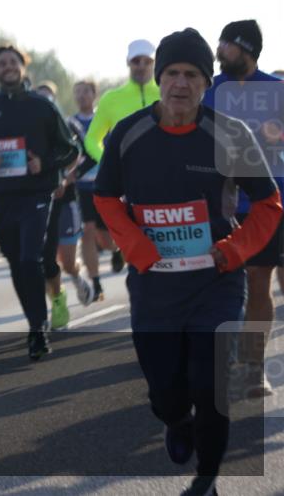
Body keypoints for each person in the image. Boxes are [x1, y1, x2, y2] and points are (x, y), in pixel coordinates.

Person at [93, 28, 282, 496]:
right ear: (159, 79)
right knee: (166, 389)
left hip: (215, 281)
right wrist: (137, 247)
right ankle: (176, 420)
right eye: (173, 73)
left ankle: (207, 478)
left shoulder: (229, 133)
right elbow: (106, 197)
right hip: (154, 283)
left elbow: (268, 203)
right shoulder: (128, 133)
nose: (181, 83)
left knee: (210, 383)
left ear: (206, 82)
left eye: (193, 75)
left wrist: (233, 250)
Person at [0, 46, 79, 360]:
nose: (8, 66)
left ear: (23, 66)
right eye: (2, 63)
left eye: (13, 62)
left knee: (31, 259)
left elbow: (70, 150)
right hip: (2, 199)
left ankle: (37, 328)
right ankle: (35, 322)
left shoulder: (42, 106)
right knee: (18, 264)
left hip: (37, 196)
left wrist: (44, 164)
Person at [201, 19, 283, 398]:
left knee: (259, 280)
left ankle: (253, 367)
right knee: (227, 282)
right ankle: (221, 361)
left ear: (246, 49)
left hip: (269, 202)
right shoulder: (210, 91)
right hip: (222, 204)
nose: (219, 50)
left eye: (226, 44)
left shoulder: (277, 91)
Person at [84, 40, 161, 274]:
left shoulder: (165, 92)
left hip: (166, 175)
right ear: (128, 63)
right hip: (130, 182)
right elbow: (92, 139)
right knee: (135, 245)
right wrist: (110, 164)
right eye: (136, 61)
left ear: (154, 63)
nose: (141, 66)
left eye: (147, 61)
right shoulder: (112, 98)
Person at [34, 81, 96, 329]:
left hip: (65, 201)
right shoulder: (27, 126)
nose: (45, 102)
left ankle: (77, 278)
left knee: (67, 262)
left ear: (55, 100)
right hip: (38, 202)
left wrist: (68, 179)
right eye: (40, 98)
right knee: (44, 259)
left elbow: (89, 155)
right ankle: (57, 302)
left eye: (49, 98)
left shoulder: (69, 125)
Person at [70, 79, 108, 301]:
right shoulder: (70, 123)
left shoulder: (103, 120)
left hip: (104, 185)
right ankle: (96, 281)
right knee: (88, 232)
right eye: (78, 92)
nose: (82, 96)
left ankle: (116, 252)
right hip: (82, 187)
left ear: (94, 95)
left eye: (86, 91)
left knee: (107, 240)